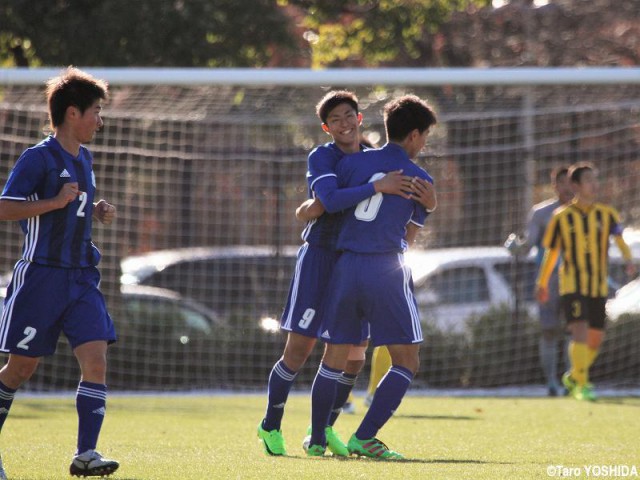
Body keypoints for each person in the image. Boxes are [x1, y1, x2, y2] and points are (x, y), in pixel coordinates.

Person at [257, 90, 422, 457]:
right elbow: (328, 202)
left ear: (360, 118)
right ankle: (270, 423)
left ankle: (324, 429)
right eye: (336, 120)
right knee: (299, 350)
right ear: (326, 127)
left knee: (354, 354)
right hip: (320, 259)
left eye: (350, 115)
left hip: (355, 264)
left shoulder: (371, 158)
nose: (345, 124)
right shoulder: (323, 156)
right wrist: (373, 187)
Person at [0, 67, 119, 478]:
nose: (100, 120)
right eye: (96, 112)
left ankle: (86, 454)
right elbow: (4, 207)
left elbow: (74, 205)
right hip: (41, 278)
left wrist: (95, 208)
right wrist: (52, 202)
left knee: (97, 361)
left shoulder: (84, 157)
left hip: (82, 278)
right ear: (73, 113)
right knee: (20, 370)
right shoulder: (37, 158)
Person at [306, 94, 437, 459]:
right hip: (385, 268)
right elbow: (408, 239)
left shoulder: (353, 164)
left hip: (345, 268)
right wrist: (430, 206)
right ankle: (364, 437)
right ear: (413, 135)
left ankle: (317, 439)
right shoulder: (420, 180)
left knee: (333, 357)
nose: (424, 143)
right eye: (425, 136)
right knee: (406, 361)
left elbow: (331, 203)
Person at [536, 162, 635, 402]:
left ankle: (574, 374)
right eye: (589, 180)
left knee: (595, 337)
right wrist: (542, 282)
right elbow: (551, 252)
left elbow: (620, 239)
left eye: (595, 179)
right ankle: (582, 383)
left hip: (598, 284)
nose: (594, 184)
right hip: (571, 284)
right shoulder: (561, 217)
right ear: (576, 185)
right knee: (579, 331)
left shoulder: (607, 213)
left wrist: (629, 259)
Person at [505, 166, 573, 396]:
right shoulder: (541, 213)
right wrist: (517, 247)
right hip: (548, 279)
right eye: (562, 182)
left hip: (576, 278)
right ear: (554, 185)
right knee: (549, 330)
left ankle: (573, 380)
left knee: (576, 330)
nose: (567, 187)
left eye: (571, 182)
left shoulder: (584, 212)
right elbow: (528, 246)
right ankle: (552, 383)